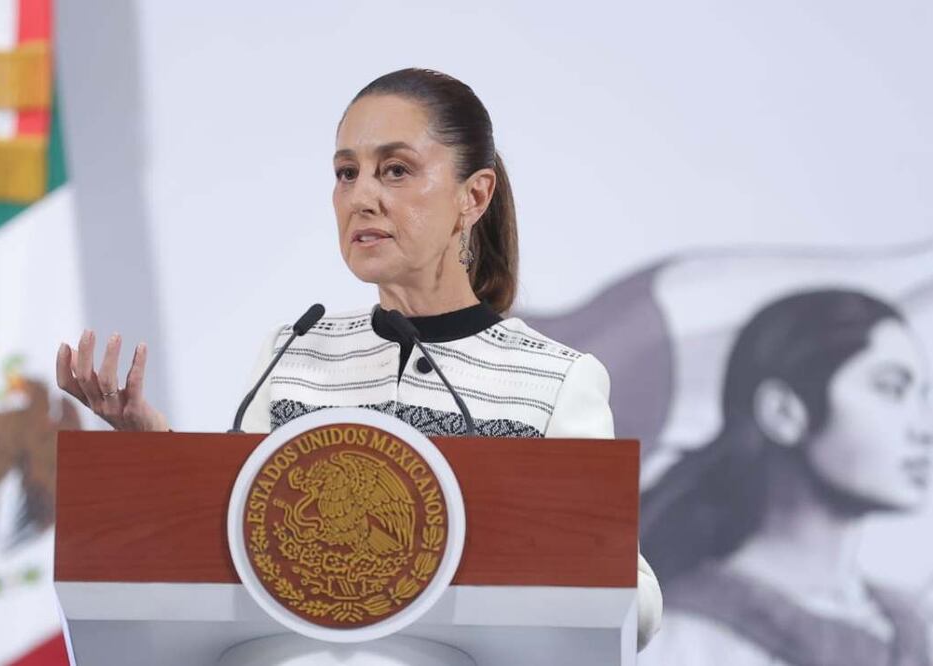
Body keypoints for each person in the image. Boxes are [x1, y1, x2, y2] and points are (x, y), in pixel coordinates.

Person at [54, 67, 662, 649]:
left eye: (395, 171)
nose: (362, 197)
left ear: (473, 196)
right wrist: (149, 444)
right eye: (347, 173)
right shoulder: (293, 353)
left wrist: (519, 544)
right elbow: (231, 538)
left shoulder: (553, 380)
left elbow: (635, 607)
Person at [640, 290, 933, 665]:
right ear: (784, 412)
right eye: (891, 389)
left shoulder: (909, 625)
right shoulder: (689, 638)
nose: (923, 429)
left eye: (923, 396)